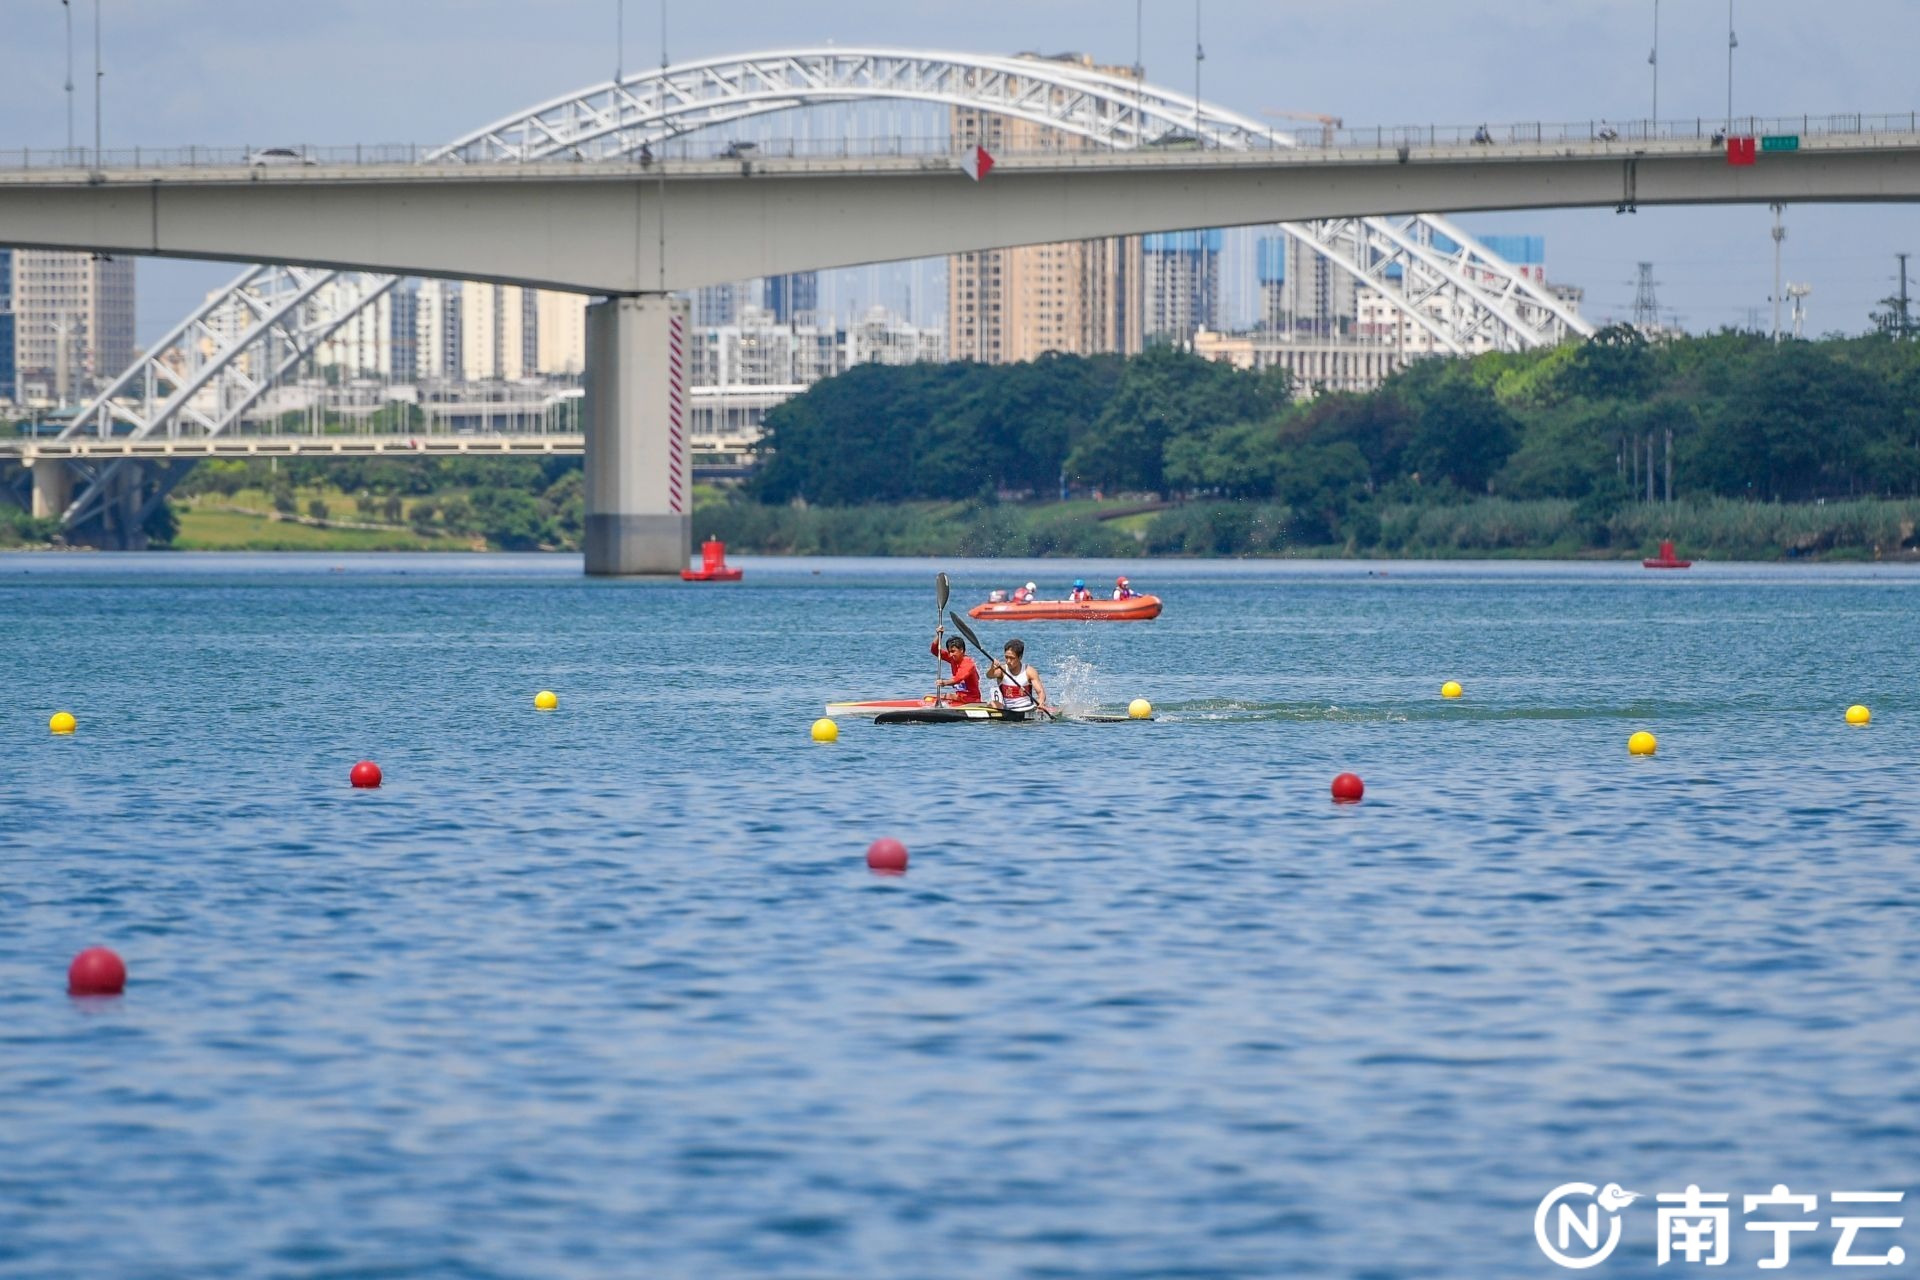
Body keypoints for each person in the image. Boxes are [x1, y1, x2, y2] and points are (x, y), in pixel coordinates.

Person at [987, 638, 1053, 720]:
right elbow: (989, 676)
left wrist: (1041, 702)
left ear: (1020, 657)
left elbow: (1040, 692)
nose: (1008, 661)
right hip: (1009, 711)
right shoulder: (1002, 670)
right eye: (1006, 657)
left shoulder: (1029, 671)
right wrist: (992, 668)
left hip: (1028, 710)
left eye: (1012, 658)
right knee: (992, 703)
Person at [931, 630, 981, 704]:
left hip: (972, 700)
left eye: (953, 651)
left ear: (961, 650)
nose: (950, 654)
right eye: (949, 651)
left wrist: (943, 682)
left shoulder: (968, 663)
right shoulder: (953, 658)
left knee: (932, 697)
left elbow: (957, 679)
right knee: (928, 697)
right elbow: (935, 650)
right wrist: (939, 635)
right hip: (959, 697)